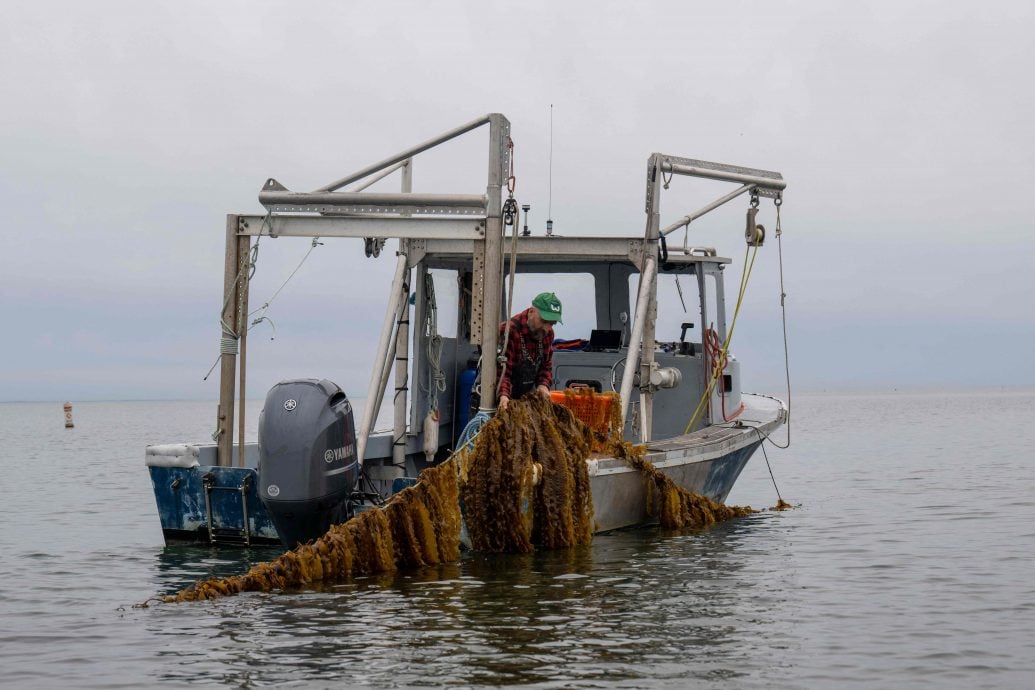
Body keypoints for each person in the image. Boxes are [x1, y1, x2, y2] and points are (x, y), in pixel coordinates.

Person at [496, 292, 562, 411]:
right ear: (531, 312)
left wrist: (543, 385)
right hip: (497, 396)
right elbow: (501, 372)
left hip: (523, 399)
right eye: (544, 321)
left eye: (552, 323)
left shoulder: (547, 334)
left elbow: (545, 365)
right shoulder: (508, 331)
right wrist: (504, 396)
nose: (547, 328)